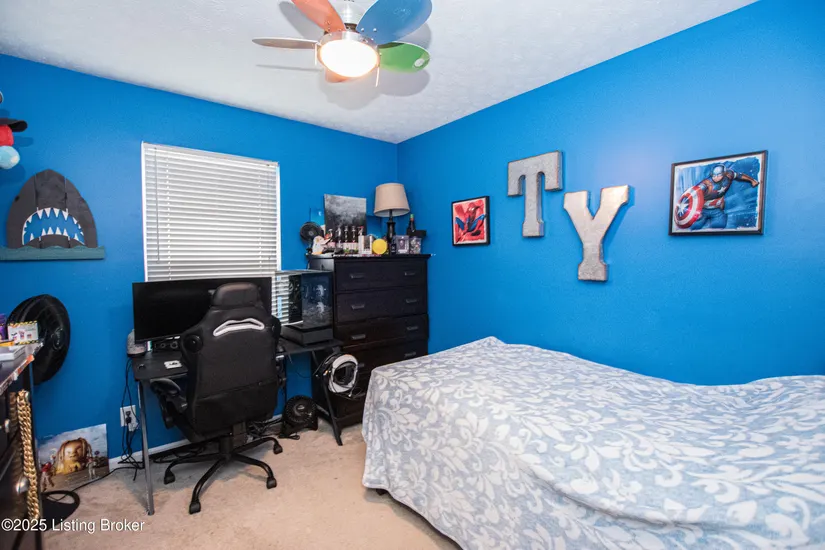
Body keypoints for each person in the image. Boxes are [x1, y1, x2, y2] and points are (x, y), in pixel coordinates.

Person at [690, 164, 760, 230]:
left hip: (717, 210)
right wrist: (696, 211)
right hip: (702, 210)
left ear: (724, 174)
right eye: (714, 175)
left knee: (719, 227)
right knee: (695, 227)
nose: (715, 177)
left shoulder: (729, 174)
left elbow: (740, 175)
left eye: (718, 175)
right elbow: (693, 194)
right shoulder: (706, 184)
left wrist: (752, 180)